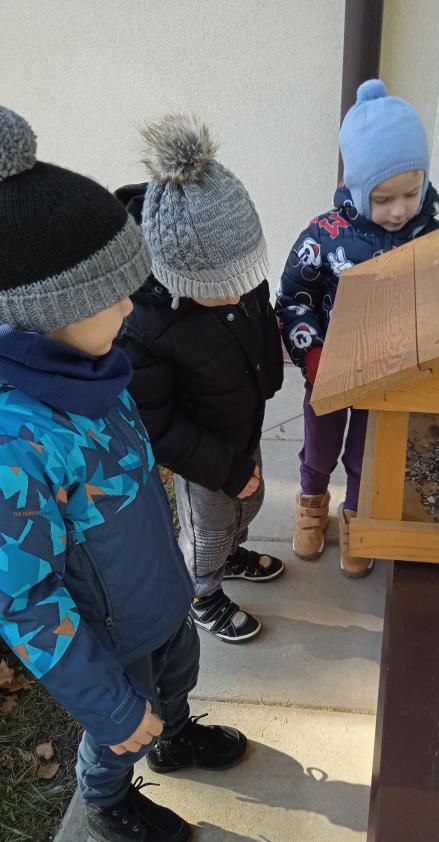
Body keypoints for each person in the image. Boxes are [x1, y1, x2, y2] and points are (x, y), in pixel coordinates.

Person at [0, 106, 248, 842]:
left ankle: (173, 735)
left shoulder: (96, 367)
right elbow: (25, 598)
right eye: (110, 295)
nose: (129, 304)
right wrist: (106, 704)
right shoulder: (16, 442)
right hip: (108, 640)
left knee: (178, 677)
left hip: (157, 596)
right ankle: (108, 803)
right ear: (46, 311)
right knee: (123, 730)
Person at [117, 114, 284, 645]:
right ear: (177, 278)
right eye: (221, 289)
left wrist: (270, 372)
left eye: (244, 280)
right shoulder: (143, 326)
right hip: (200, 455)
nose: (238, 294)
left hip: (241, 424)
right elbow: (156, 423)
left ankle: (230, 555)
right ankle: (202, 592)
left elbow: (259, 320)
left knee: (250, 503)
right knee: (209, 529)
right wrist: (224, 470)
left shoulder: (234, 277)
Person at [276, 79, 439, 578]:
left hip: (390, 378)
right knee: (320, 448)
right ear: (356, 187)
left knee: (366, 455)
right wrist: (312, 354)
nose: (399, 209)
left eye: (411, 193)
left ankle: (357, 517)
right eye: (383, 197)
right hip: (329, 371)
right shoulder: (325, 235)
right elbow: (294, 299)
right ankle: (312, 504)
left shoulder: (432, 239)